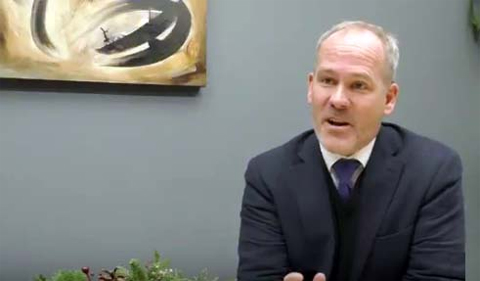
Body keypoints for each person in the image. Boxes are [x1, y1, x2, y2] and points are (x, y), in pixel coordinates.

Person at [237, 20, 465, 281]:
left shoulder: (433, 172)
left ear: (389, 99)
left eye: (358, 85)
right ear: (311, 87)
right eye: (327, 81)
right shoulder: (268, 175)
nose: (338, 100)